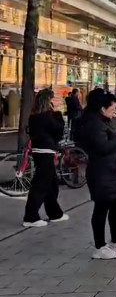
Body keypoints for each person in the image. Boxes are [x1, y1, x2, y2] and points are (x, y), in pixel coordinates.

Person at [78, 91, 116, 259]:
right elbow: (102, 147)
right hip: (102, 173)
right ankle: (99, 246)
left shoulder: (105, 121)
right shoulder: (93, 124)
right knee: (102, 208)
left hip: (114, 171)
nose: (114, 112)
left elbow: (112, 141)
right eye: (111, 109)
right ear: (102, 108)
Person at [22, 89, 67, 227]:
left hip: (39, 150)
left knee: (51, 183)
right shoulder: (48, 116)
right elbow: (59, 131)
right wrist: (58, 115)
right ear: (48, 101)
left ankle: (55, 213)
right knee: (41, 184)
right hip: (46, 150)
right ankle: (30, 217)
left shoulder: (34, 116)